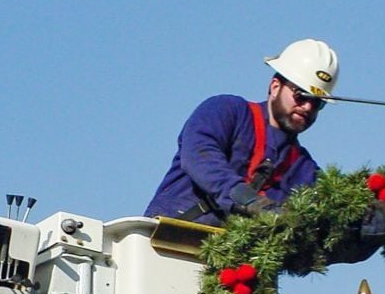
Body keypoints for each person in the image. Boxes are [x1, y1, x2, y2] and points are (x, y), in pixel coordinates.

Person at [144, 39, 339, 225]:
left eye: (317, 102)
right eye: (301, 96)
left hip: (234, 257)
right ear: (275, 86)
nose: (307, 107)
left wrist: (364, 230)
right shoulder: (226, 111)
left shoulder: (304, 170)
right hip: (167, 239)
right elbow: (199, 157)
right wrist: (246, 199)